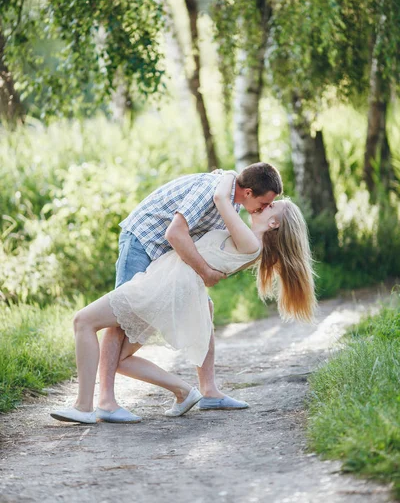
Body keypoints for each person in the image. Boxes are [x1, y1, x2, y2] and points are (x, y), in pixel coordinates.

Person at [50, 172, 317, 425]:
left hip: (160, 287)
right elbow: (218, 209)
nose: (262, 207)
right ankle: (184, 391)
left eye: (270, 207)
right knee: (118, 358)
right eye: (266, 203)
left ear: (274, 224)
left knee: (83, 321)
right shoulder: (246, 241)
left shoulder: (251, 243)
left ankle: (83, 407)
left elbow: (221, 199)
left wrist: (227, 176)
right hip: (164, 285)